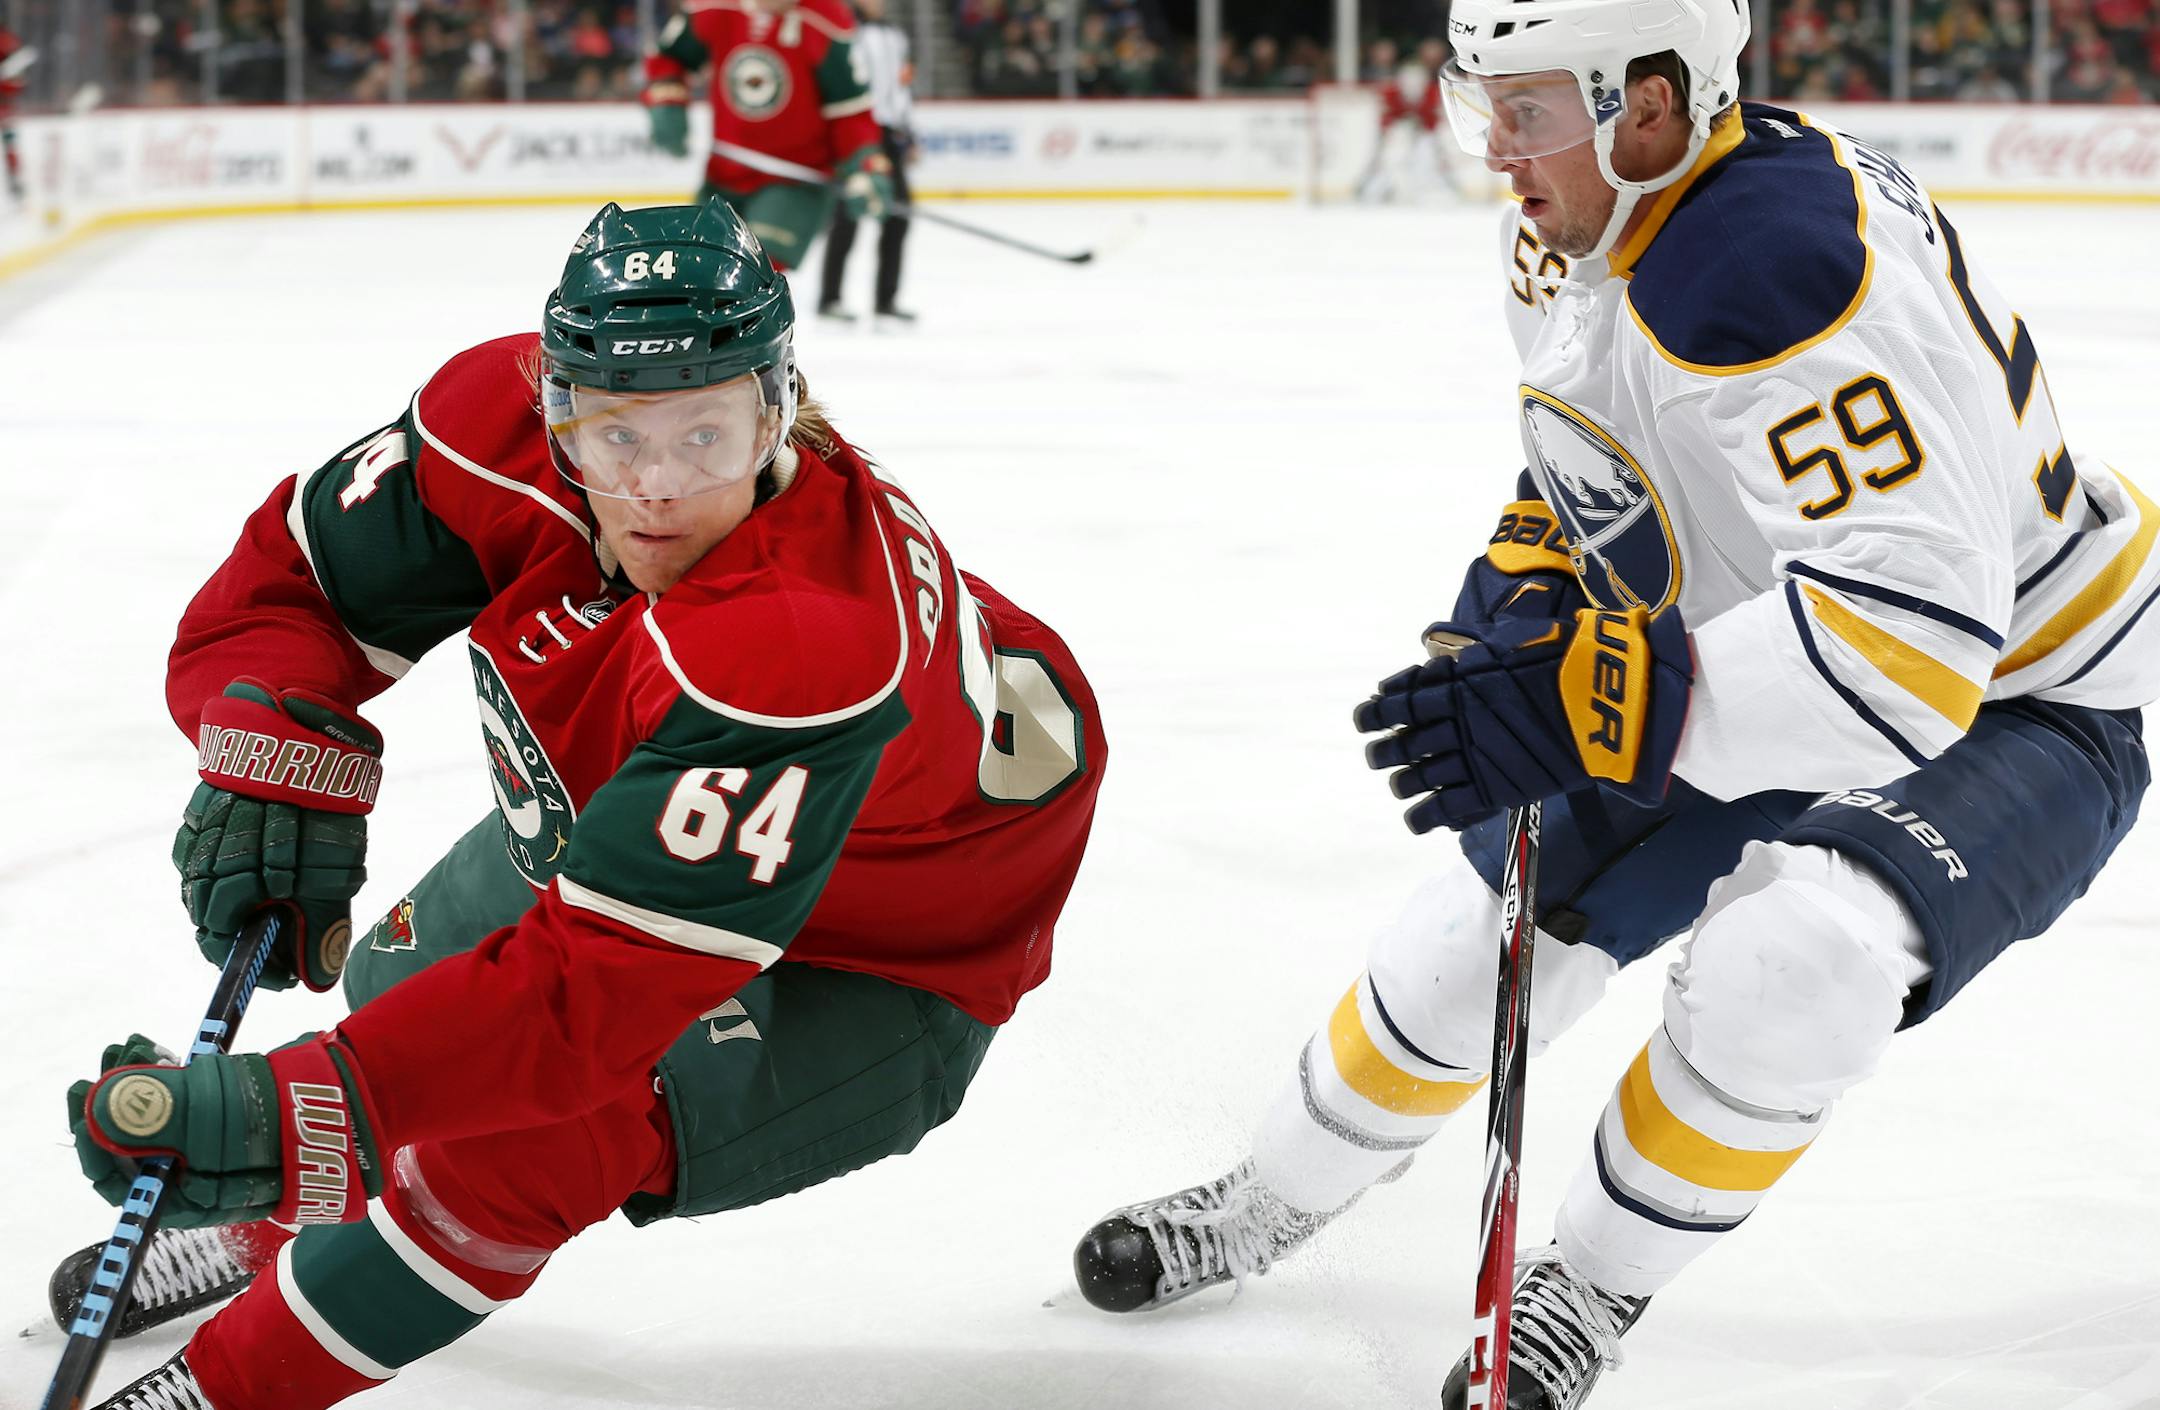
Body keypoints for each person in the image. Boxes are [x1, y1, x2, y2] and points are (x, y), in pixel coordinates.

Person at [1071, 0, 2157, 1404]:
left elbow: (1913, 653)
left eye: (1526, 111)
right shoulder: (1588, 218)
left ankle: (1585, 1286)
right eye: (1486, 105)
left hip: (2030, 684)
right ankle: (1268, 1195)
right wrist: (1525, 594)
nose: (1496, 152)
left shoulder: (1777, 269)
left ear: (1648, 104)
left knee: (1802, 958)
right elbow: (1612, 458)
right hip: (1776, 635)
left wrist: (1593, 706)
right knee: (1477, 941)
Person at [63, 197, 1106, 1410]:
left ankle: (222, 1392)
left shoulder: (801, 643)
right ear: (551, 400)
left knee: (525, 1145)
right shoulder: (492, 430)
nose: (657, 489)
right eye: (614, 436)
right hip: (661, 808)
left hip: (891, 947)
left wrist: (291, 1107)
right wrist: (277, 750)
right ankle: (273, 1234)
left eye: (707, 436)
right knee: (404, 997)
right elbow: (290, 590)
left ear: (779, 408)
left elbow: (585, 1000)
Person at [641, 0, 895, 273]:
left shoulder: (826, 19)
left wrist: (865, 164)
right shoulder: (715, 7)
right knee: (696, 273)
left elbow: (850, 110)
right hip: (723, 176)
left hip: (795, 180)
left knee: (749, 273)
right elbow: (670, 56)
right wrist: (666, 98)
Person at [815, 0, 915, 328]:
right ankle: (830, 297)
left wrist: (908, 132)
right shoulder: (844, 32)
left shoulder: (896, 37)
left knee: (899, 215)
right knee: (848, 217)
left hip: (886, 133)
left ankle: (886, 300)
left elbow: (901, 90)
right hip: (856, 134)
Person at [0, 25, 34, 204]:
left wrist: (8, 81)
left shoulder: (7, 41)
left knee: (9, 142)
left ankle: (14, 180)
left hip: (3, 111)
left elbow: (17, 82)